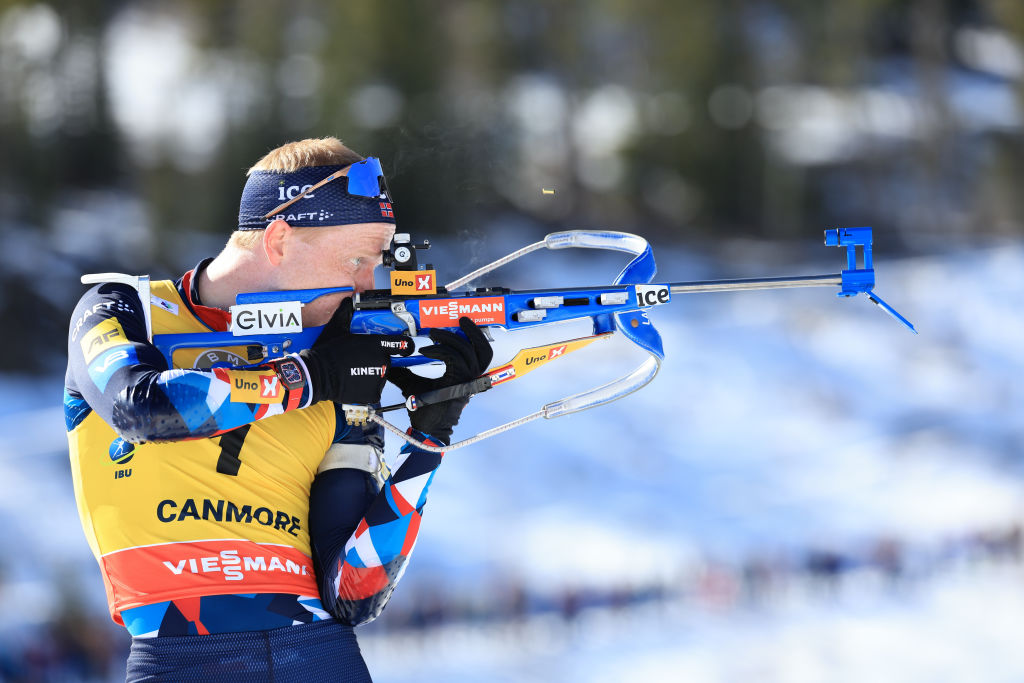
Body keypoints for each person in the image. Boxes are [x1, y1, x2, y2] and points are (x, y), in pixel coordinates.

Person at [63, 137, 493, 682]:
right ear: (280, 238)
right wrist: (309, 378)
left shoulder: (340, 367)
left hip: (321, 658)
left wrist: (429, 439)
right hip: (179, 660)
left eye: (378, 262)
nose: (368, 284)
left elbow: (352, 594)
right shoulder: (128, 311)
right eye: (357, 260)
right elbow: (142, 408)